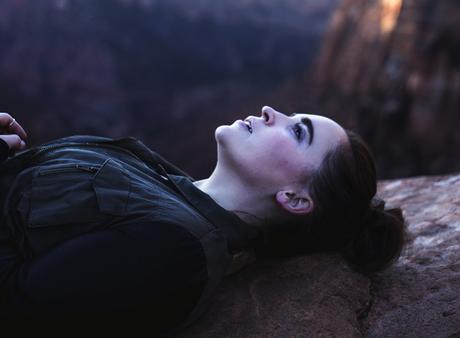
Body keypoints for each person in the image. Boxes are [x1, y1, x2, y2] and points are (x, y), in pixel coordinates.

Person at [0, 107, 406, 336]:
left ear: (296, 199)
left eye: (297, 131)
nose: (271, 112)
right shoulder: (160, 177)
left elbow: (15, 307)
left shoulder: (175, 251)